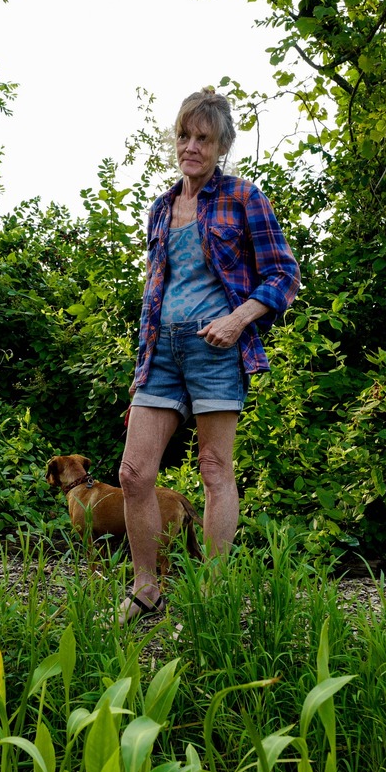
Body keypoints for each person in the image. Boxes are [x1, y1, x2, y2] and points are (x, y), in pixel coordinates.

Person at [118, 87, 300, 620]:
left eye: (203, 138)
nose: (191, 146)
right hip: (162, 353)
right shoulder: (161, 209)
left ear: (221, 145)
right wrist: (139, 376)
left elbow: (283, 275)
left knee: (215, 469)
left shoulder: (244, 198)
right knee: (133, 474)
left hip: (216, 350)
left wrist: (239, 317)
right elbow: (153, 297)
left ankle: (209, 595)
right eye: (184, 135)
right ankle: (146, 590)